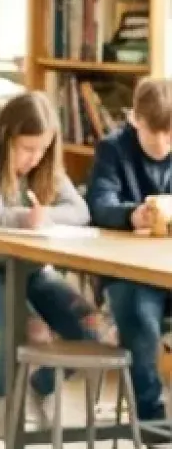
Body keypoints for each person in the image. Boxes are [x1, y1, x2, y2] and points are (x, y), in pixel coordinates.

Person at [0, 90, 94, 431]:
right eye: (27, 148)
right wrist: (22, 218)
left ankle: (37, 388)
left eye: (42, 149)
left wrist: (46, 215)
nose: (35, 158)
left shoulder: (42, 159)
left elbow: (79, 210)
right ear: (6, 138)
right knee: (28, 328)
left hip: (31, 270)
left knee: (91, 329)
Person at [87, 77, 172, 423]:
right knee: (139, 315)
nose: (163, 144)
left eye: (170, 135)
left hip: (166, 270)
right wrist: (131, 215)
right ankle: (151, 421)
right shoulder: (113, 150)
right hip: (128, 275)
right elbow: (99, 205)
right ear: (136, 120)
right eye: (155, 133)